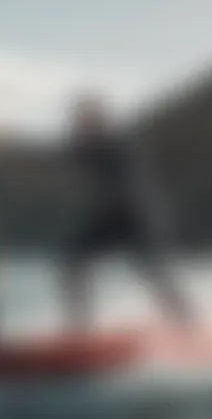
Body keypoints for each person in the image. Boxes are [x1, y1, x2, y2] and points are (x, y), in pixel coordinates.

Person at [60, 95, 189, 330]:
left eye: (86, 121)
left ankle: (186, 322)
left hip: (139, 217)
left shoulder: (119, 145)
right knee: (72, 264)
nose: (81, 126)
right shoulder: (80, 148)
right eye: (78, 122)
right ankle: (79, 327)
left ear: (99, 121)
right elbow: (63, 162)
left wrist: (108, 204)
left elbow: (130, 184)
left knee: (153, 272)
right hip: (110, 219)